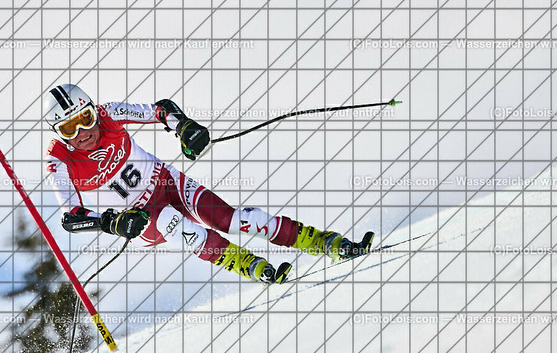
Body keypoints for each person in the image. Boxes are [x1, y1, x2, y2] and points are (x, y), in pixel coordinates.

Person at [44, 84, 373, 284]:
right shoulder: (59, 159)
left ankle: (325, 242)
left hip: (166, 182)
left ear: (93, 111)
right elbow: (70, 218)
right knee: (176, 224)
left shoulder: (109, 114)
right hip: (141, 219)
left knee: (233, 219)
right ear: (59, 133)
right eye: (70, 128)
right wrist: (112, 223)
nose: (83, 133)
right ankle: (246, 264)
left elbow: (160, 110)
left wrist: (184, 127)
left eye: (85, 119)